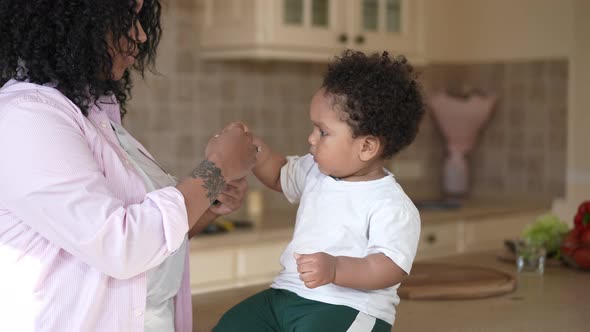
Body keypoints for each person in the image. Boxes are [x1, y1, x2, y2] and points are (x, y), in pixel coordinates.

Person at [0, 1, 257, 331]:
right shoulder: (27, 117)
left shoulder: (94, 115)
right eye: (125, 19)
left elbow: (146, 250)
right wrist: (215, 170)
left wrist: (206, 204)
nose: (141, 34)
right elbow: (120, 247)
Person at [213, 50, 425, 332]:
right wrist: (251, 147)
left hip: (348, 308)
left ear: (366, 147)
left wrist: (336, 269)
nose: (311, 139)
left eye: (322, 132)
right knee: (232, 325)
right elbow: (277, 173)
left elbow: (388, 267)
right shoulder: (316, 171)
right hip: (287, 294)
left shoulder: (391, 205)